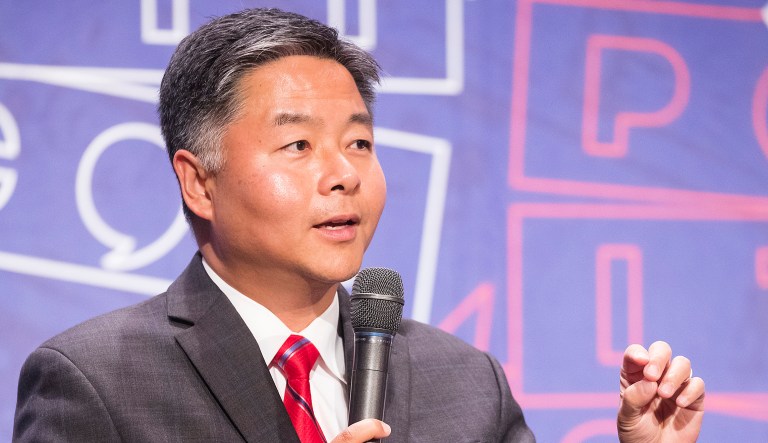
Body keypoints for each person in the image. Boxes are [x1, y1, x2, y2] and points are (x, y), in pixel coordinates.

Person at [13, 8, 704, 442]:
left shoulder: (463, 382)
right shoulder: (96, 380)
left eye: (359, 142)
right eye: (298, 146)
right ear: (198, 180)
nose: (343, 173)